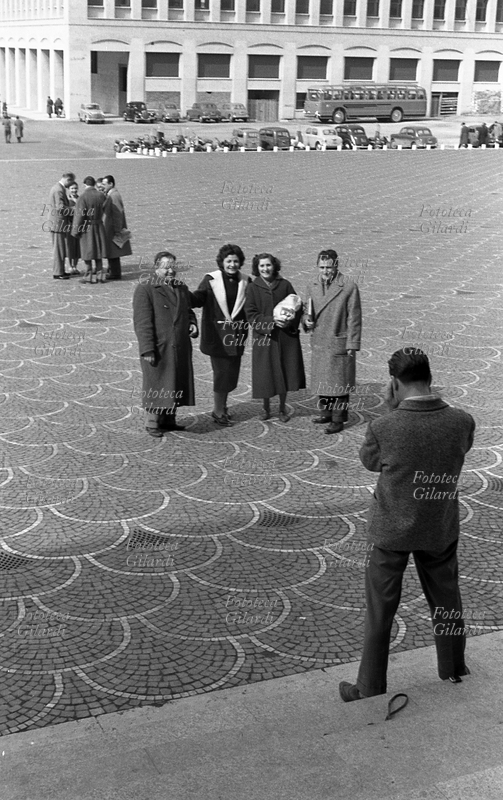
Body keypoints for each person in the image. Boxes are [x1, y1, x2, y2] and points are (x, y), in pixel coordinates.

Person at [339, 349, 475, 703]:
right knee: (447, 600)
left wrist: (389, 411)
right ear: (429, 378)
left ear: (395, 383)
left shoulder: (385, 426)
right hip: (439, 524)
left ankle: (369, 685)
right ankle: (453, 667)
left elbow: (370, 462)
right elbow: (461, 451)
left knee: (380, 609)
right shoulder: (462, 421)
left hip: (391, 531)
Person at [133, 251, 198, 437]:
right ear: (156, 267)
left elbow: (187, 310)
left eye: (172, 267)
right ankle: (152, 422)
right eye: (165, 267)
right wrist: (147, 349)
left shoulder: (181, 287)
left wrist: (192, 323)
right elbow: (142, 322)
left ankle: (169, 419)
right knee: (157, 383)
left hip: (179, 346)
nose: (170, 271)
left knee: (174, 382)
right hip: (159, 347)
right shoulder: (145, 288)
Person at [303, 249, 361, 434]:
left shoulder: (348, 286)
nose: (325, 271)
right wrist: (306, 321)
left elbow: (354, 317)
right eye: (322, 267)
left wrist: (352, 344)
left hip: (338, 339)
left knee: (339, 383)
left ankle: (338, 419)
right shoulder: (311, 285)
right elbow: (307, 310)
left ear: (336, 265)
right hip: (320, 339)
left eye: (329, 267)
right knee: (323, 379)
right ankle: (326, 413)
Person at [191, 244, 249, 426]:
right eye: (228, 261)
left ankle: (223, 407)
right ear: (221, 262)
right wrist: (182, 294)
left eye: (235, 261)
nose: (232, 264)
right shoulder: (211, 280)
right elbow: (198, 299)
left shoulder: (246, 281)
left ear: (240, 263)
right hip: (217, 336)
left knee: (231, 373)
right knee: (221, 373)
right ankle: (217, 410)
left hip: (237, 335)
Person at [245, 253, 305, 422]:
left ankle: (282, 407)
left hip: (285, 336)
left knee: (284, 371)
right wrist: (271, 322)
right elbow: (251, 314)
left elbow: (297, 304)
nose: (265, 269)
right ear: (257, 268)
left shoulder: (284, 285)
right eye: (261, 266)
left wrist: (290, 321)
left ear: (274, 266)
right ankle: (265, 407)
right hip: (265, 337)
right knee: (265, 373)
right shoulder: (252, 288)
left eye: (268, 265)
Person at [71, 176, 107, 284]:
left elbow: (79, 216)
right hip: (99, 225)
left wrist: (75, 231)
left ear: (85, 185)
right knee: (98, 251)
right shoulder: (101, 195)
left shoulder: (82, 197)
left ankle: (88, 276)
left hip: (87, 227)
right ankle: (101, 276)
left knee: (87, 252)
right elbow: (106, 209)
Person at [102, 174, 132, 281]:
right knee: (112, 251)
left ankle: (115, 273)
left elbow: (118, 213)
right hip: (111, 227)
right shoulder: (111, 194)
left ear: (111, 184)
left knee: (113, 251)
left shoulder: (114, 195)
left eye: (105, 184)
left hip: (113, 228)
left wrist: (117, 229)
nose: (103, 186)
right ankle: (112, 271)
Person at [47, 171, 75, 280]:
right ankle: (58, 272)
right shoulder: (59, 190)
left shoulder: (57, 188)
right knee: (59, 249)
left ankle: (61, 270)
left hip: (57, 223)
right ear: (68, 179)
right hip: (58, 224)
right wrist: (74, 210)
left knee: (61, 248)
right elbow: (60, 208)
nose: (70, 185)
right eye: (71, 182)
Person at [66, 182, 81, 275]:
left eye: (75, 188)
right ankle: (70, 266)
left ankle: (75, 266)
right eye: (72, 188)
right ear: (69, 189)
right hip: (69, 225)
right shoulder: (67, 200)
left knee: (77, 247)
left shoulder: (80, 199)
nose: (74, 190)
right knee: (70, 247)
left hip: (79, 226)